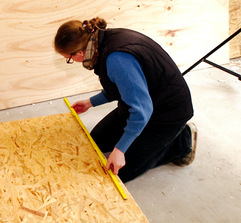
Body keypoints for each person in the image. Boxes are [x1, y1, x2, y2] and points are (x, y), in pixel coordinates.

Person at [54, 17, 197, 183]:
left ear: (80, 53)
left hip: (167, 113)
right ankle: (148, 137)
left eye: (68, 58)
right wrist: (90, 102)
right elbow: (121, 87)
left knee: (119, 172)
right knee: (95, 142)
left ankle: (181, 141)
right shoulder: (102, 41)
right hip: (145, 100)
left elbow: (142, 110)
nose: (71, 61)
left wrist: (120, 150)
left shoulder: (117, 59)